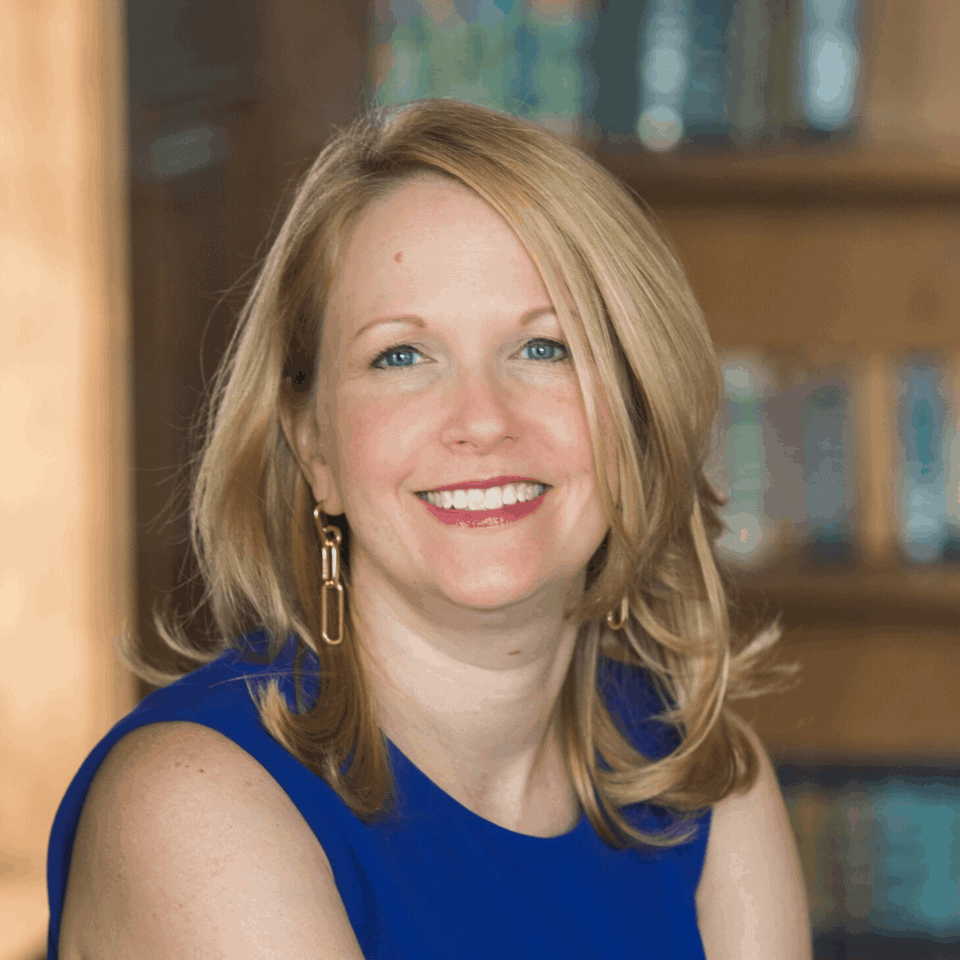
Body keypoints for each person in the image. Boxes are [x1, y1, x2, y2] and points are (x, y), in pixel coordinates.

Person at [48, 97, 812, 959]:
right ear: (313, 445)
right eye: (401, 356)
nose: (482, 420)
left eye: (545, 348)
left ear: (639, 412)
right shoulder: (196, 805)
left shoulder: (706, 780)